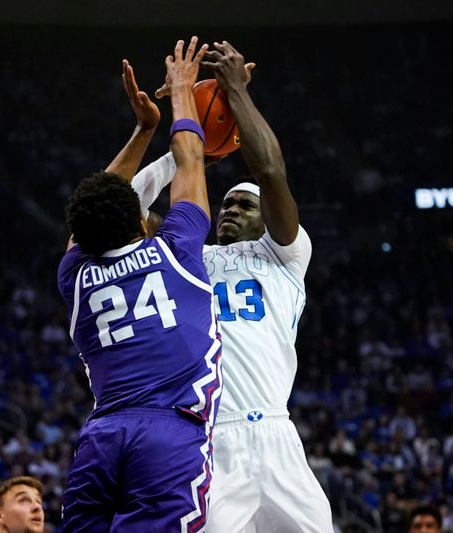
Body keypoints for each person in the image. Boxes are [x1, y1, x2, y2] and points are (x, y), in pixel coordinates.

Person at [131, 40, 333, 532]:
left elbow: (269, 170)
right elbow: (124, 208)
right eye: (224, 204)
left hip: (279, 435)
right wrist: (184, 148)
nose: (228, 210)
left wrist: (236, 93)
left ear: (268, 219)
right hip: (211, 440)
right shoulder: (187, 257)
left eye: (243, 206)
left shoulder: (286, 255)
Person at [57, 37, 222, 531]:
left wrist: (142, 129)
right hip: (168, 434)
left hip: (102, 436)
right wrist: (181, 94)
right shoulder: (176, 249)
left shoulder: (76, 277)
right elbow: (191, 159)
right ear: (137, 211)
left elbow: (93, 208)